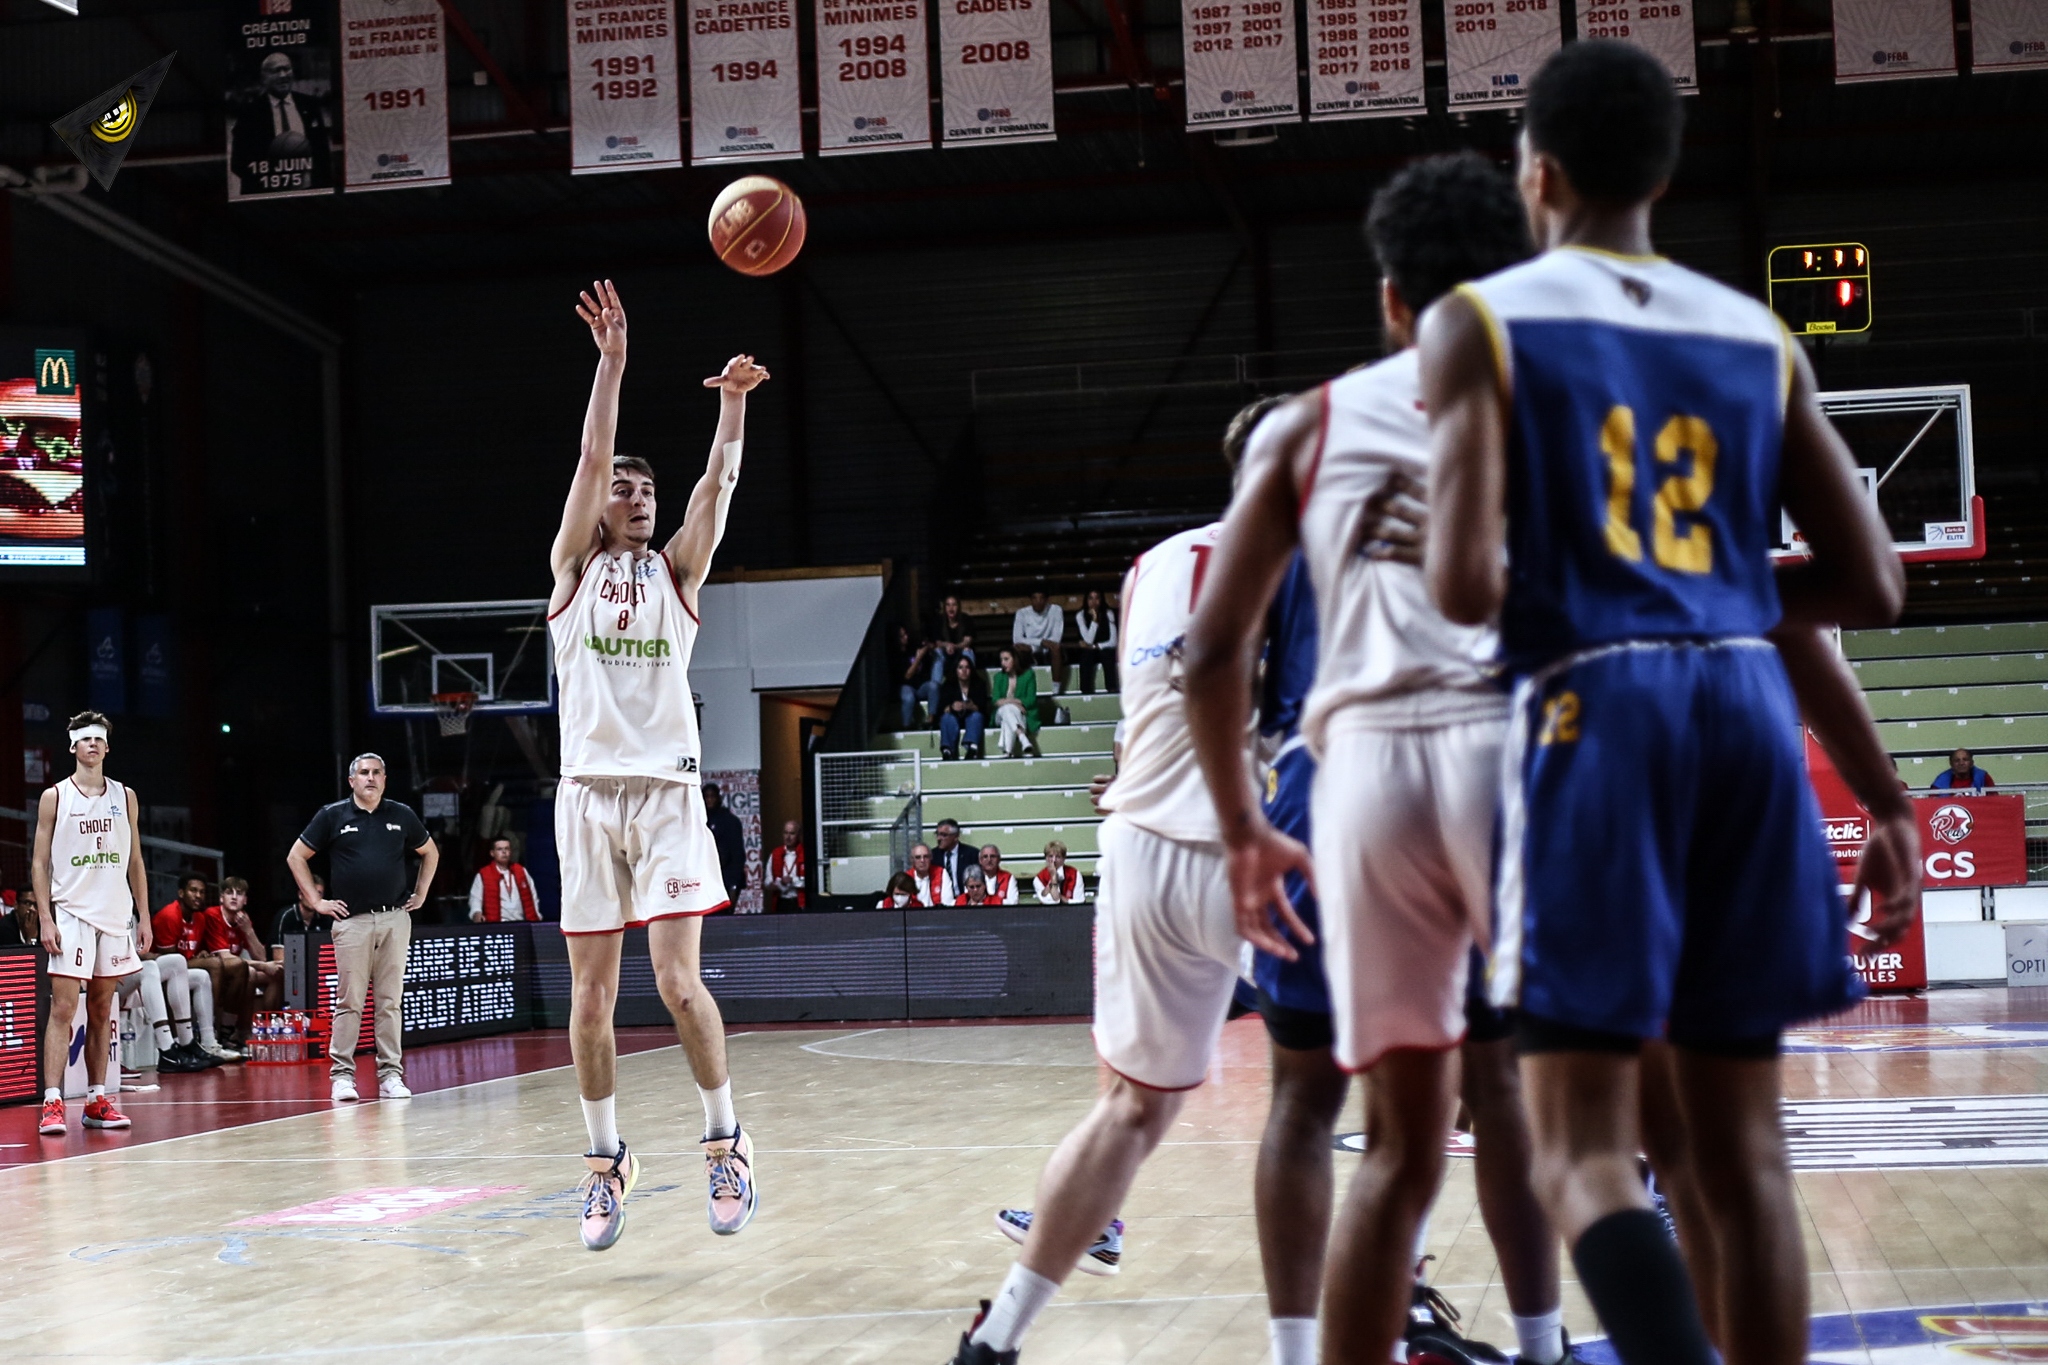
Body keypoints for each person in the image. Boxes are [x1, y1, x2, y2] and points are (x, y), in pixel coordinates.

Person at [1419, 41, 1919, 1365]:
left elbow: (1465, 584)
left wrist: (1597, 592)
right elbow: (1870, 584)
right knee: (1739, 1156)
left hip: (1598, 710)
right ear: (1666, 170)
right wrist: (1705, 596)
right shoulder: (1756, 333)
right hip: (1748, 714)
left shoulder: (1481, 319)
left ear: (1537, 175)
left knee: (1581, 1143)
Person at [1182, 160, 1581, 1365]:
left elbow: (1213, 656)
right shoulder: (1562, 410)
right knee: (1507, 1096)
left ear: (1389, 300)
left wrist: (1241, 827)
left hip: (1345, 781)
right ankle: (1542, 1344)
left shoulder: (1306, 426)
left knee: (1365, 1132)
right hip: (1502, 761)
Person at [943, 520, 1235, 1365]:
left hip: (1143, 847)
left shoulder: (1151, 571)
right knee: (1344, 1091)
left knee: (1129, 1101)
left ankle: (1000, 1335)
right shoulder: (1314, 546)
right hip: (1254, 840)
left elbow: (1157, 710)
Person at [546, 280, 766, 1251]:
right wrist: (613, 362)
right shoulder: (571, 571)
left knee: (679, 986)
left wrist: (730, 409)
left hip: (670, 795)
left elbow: (714, 492)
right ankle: (606, 1161)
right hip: (588, 799)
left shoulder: (675, 573)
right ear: (601, 508)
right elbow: (594, 452)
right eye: (622, 491)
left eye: (646, 489)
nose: (633, 497)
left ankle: (725, 1141)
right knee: (589, 1001)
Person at [287, 754, 439, 1105]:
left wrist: (421, 893)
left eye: (376, 773)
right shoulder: (333, 815)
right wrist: (316, 901)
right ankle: (342, 1076)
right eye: (363, 773)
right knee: (350, 1001)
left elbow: (430, 852)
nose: (370, 778)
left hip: (394, 919)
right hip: (351, 921)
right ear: (351, 780)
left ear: (385, 779)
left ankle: (391, 1076)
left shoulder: (401, 814)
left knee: (390, 1002)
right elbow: (296, 856)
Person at [33, 710, 148, 1137]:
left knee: (102, 1009)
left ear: (106, 746)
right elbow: (40, 862)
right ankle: (52, 1102)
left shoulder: (126, 796)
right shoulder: (55, 797)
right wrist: (46, 917)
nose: (92, 746)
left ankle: (97, 1100)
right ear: (73, 746)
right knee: (63, 1008)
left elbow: (135, 860)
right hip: (72, 913)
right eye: (85, 739)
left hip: (115, 915)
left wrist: (144, 915)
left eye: (98, 739)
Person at [153, 874, 251, 1047]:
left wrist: (202, 954)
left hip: (184, 964)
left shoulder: (200, 918)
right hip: (159, 968)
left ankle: (224, 1032)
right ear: (181, 893)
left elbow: (193, 952)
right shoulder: (169, 915)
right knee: (214, 965)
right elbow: (170, 960)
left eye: (202, 892)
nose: (198, 895)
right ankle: (209, 1030)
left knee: (239, 968)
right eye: (193, 891)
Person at [228, 51, 333, 195]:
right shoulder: (249, 113)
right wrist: (274, 176)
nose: (283, 75)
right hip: (269, 194)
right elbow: (238, 164)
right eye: (276, 71)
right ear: (263, 78)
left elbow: (323, 156)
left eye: (286, 69)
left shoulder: (310, 105)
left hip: (308, 193)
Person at [219, 877, 284, 1008]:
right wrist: (264, 966)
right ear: (221, 898)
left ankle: (268, 1021)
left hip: (235, 968)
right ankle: (242, 1024)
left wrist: (248, 930)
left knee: (276, 975)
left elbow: (262, 957)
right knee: (250, 973)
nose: (234, 897)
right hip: (216, 967)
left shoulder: (243, 920)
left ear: (245, 900)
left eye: (239, 893)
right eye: (229, 893)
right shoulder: (213, 915)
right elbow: (224, 959)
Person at [935, 652, 992, 760]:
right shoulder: (948, 685)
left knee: (976, 716)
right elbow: (941, 709)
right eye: (960, 667)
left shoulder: (979, 684)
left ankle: (972, 748)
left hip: (971, 717)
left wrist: (971, 706)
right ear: (956, 670)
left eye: (967, 667)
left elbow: (982, 708)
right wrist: (952, 707)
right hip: (954, 717)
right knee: (947, 718)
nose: (964, 671)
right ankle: (947, 751)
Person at [470, 838, 541, 922]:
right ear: (492, 853)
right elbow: (476, 899)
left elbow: (533, 896)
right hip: (497, 925)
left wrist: (537, 915)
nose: (504, 852)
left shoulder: (521, 871)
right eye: (499, 849)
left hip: (521, 923)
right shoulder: (483, 874)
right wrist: (477, 913)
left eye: (506, 848)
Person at [701, 783, 747, 911]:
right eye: (706, 797)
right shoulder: (698, 822)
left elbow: (737, 855)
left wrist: (734, 885)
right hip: (704, 880)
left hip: (726, 878)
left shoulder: (730, 821)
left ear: (718, 798)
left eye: (712, 796)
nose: (709, 800)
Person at [1012, 591, 1066, 693]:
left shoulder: (1056, 610)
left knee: (1057, 647)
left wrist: (1043, 644)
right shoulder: (1022, 613)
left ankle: (1056, 687)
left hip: (1049, 647)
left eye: (1041, 598)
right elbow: (1017, 638)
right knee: (1016, 648)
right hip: (1032, 647)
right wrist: (1039, 642)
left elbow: (1057, 637)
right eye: (1035, 598)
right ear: (1030, 600)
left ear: (1046, 600)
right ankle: (1019, 687)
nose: (1038, 602)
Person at [992, 647, 1040, 758]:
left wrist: (1008, 702)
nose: (1003, 663)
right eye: (1001, 660)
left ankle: (1008, 751)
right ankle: (1022, 737)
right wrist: (1015, 702)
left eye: (1006, 659)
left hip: (1021, 714)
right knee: (1008, 708)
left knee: (1008, 712)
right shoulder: (998, 677)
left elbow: (1031, 700)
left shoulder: (1028, 675)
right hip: (1001, 714)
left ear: (1015, 659)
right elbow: (995, 700)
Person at [1070, 589, 1119, 695]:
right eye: (1090, 598)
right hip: (1088, 651)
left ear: (1101, 600)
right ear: (1086, 600)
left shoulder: (1108, 613)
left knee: (1107, 654)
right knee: (1086, 656)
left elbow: (1114, 641)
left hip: (1103, 648)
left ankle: (1112, 689)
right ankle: (1085, 692)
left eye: (1097, 598)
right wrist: (1095, 620)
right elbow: (1088, 639)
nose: (1094, 602)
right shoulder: (1080, 615)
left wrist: (1094, 646)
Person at [898, 624, 939, 730]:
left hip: (921, 686)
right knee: (909, 698)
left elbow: (931, 646)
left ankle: (931, 720)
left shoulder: (913, 646)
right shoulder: (897, 655)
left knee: (933, 686)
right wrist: (918, 658)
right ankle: (906, 726)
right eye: (902, 636)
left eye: (906, 634)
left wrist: (928, 647)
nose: (906, 637)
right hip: (906, 686)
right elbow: (907, 675)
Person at [765, 821, 806, 913]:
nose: (788, 837)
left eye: (792, 833)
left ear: (798, 835)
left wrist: (792, 880)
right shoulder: (775, 854)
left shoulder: (805, 854)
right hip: (781, 902)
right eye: (785, 833)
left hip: (799, 902)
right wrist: (776, 883)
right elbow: (767, 881)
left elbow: (810, 883)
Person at [934, 595, 976, 677]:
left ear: (958, 607)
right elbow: (937, 642)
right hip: (945, 652)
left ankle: (970, 682)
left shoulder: (966, 619)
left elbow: (967, 641)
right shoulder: (939, 621)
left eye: (954, 605)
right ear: (944, 607)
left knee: (967, 651)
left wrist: (955, 646)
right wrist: (947, 645)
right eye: (948, 605)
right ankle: (935, 686)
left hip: (960, 651)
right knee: (937, 651)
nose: (951, 608)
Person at [275, 875, 323, 944]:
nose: (314, 897)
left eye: (319, 893)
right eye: (311, 893)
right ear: (300, 894)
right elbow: (278, 952)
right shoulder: (286, 917)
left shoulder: (325, 919)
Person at [904, 843, 955, 907]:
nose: (922, 860)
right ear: (912, 860)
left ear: (931, 858)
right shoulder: (907, 877)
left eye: (926, 857)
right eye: (918, 857)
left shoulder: (941, 873)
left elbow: (948, 903)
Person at [932, 818, 972, 890]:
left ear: (956, 836)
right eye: (937, 834)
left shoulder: (971, 854)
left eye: (943, 835)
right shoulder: (932, 855)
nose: (939, 838)